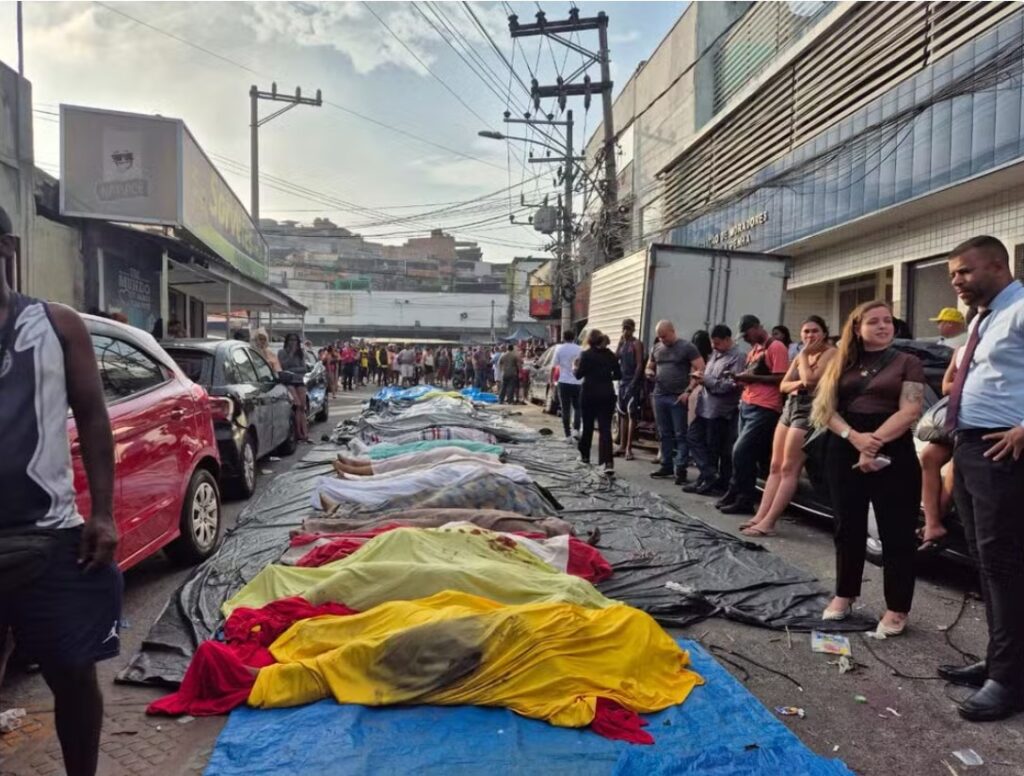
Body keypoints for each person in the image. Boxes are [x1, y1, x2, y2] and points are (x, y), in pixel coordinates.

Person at [0, 206, 120, 776]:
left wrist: (103, 513)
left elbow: (95, 418)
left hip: (51, 540)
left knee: (73, 673)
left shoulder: (56, 325)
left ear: (7, 248)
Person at [938, 236, 1024, 721]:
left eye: (964, 272)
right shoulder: (983, 318)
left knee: (1005, 564)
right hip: (970, 446)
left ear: (997, 264)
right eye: (952, 274)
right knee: (986, 562)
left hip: (1002, 450)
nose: (956, 282)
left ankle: (1009, 682)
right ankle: (1000, 660)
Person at [810, 301, 924, 637]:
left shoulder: (908, 362)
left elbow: (911, 409)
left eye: (887, 321)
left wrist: (873, 442)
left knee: (897, 531)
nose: (882, 326)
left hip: (894, 445)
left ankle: (897, 607)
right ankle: (844, 594)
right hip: (844, 443)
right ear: (857, 328)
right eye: (873, 321)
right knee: (848, 525)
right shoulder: (841, 360)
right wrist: (853, 438)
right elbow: (825, 409)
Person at [741, 316, 836, 537]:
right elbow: (784, 385)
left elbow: (811, 380)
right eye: (805, 332)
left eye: (814, 331)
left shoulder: (830, 354)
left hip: (809, 411)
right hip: (790, 408)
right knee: (775, 465)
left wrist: (802, 358)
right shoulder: (804, 355)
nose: (809, 336)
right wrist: (800, 382)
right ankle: (760, 516)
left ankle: (769, 523)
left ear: (824, 333)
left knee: (789, 468)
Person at [717, 315, 790, 515]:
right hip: (748, 404)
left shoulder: (776, 347)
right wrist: (738, 378)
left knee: (741, 452)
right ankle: (736, 491)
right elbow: (751, 376)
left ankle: (745, 499)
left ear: (758, 327)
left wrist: (748, 377)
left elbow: (781, 378)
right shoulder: (755, 350)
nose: (747, 338)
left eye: (748, 334)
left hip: (765, 407)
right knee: (740, 454)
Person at [685, 324, 745, 496]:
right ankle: (708, 474)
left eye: (718, 343)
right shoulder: (715, 355)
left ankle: (710, 480)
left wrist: (707, 380)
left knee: (713, 448)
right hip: (704, 407)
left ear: (728, 340)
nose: (714, 346)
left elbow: (730, 385)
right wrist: (700, 378)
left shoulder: (738, 357)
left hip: (720, 410)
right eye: (713, 343)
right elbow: (708, 374)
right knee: (692, 437)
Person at [646, 320, 704, 484]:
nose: (662, 340)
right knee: (664, 433)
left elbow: (700, 369)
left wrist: (688, 391)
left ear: (672, 331)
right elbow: (649, 366)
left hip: (677, 396)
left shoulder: (687, 347)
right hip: (660, 395)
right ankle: (666, 465)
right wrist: (649, 372)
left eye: (664, 336)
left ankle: (680, 469)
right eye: (659, 337)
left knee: (680, 434)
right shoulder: (657, 348)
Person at [918, 344, 962, 552]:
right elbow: (946, 386)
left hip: (988, 418)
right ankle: (933, 522)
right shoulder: (962, 349)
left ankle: (935, 524)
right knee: (928, 456)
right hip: (959, 416)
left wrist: (963, 384)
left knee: (958, 460)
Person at [574, 329, 621, 475]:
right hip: (607, 394)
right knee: (605, 429)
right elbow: (619, 374)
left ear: (589, 341)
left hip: (589, 394)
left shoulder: (586, 355)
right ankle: (607, 462)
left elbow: (578, 375)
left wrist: (575, 368)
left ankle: (585, 456)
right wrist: (605, 377)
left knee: (587, 426)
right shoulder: (610, 355)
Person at [613, 319, 645, 461]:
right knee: (622, 414)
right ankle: (622, 445)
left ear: (633, 329)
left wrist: (634, 382)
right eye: (624, 328)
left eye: (628, 329)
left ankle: (629, 448)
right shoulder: (623, 343)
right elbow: (615, 358)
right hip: (622, 382)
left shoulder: (636, 344)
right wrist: (619, 344)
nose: (625, 331)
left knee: (632, 414)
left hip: (632, 382)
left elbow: (639, 364)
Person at [278, 333, 311, 443]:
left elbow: (304, 369)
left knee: (302, 407)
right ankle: (298, 432)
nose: (293, 342)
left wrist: (293, 370)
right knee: (297, 405)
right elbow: (282, 366)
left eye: (295, 340)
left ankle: (305, 433)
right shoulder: (282, 353)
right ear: (287, 341)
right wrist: (291, 354)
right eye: (291, 340)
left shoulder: (300, 353)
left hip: (299, 381)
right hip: (289, 381)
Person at [552, 330, 583, 442]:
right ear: (574, 337)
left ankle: (567, 435)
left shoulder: (559, 349)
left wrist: (552, 380)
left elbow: (555, 364)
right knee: (578, 407)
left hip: (563, 381)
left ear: (563, 337)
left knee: (565, 409)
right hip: (577, 382)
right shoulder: (580, 349)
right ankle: (576, 430)